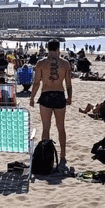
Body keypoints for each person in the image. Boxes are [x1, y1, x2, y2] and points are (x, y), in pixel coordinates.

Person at [29, 39, 72, 169]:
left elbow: (36, 83)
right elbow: (68, 84)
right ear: (58, 49)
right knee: (61, 127)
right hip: (59, 96)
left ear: (48, 49)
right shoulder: (65, 64)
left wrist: (32, 98)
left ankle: (45, 153)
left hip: (46, 96)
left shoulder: (41, 63)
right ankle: (63, 155)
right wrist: (70, 97)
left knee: (46, 128)